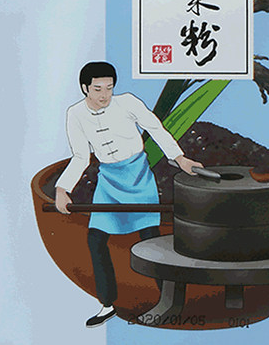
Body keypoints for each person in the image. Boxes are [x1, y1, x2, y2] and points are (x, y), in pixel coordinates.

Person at [55, 62, 202, 327]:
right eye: (97, 89)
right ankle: (107, 304)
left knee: (151, 240)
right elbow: (80, 156)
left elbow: (156, 129)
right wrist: (62, 189)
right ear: (85, 88)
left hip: (137, 177)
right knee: (96, 240)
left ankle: (170, 303)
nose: (104, 95)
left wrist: (180, 159)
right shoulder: (75, 114)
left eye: (109, 88)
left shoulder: (128, 103)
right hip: (109, 182)